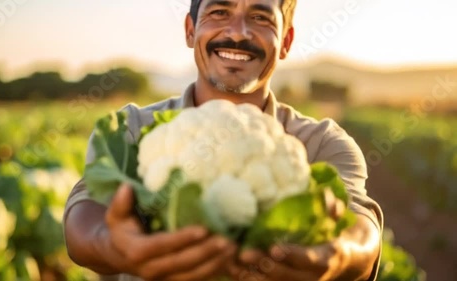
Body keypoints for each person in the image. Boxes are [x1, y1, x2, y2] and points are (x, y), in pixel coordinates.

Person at [63, 0, 384, 280]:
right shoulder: (131, 129)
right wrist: (111, 244)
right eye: (219, 11)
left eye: (261, 18)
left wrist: (340, 255)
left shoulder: (321, 143)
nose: (238, 33)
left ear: (286, 40)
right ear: (190, 30)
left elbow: (361, 228)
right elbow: (83, 215)